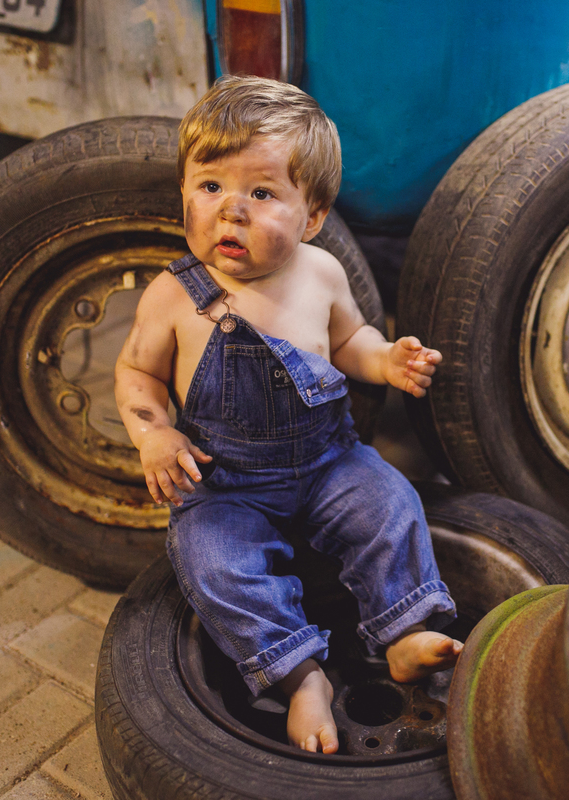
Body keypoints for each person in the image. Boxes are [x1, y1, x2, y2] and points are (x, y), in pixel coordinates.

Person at [114, 75, 461, 755]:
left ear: (312, 216)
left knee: (389, 503)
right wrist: (153, 433)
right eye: (210, 186)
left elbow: (348, 343)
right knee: (211, 559)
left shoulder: (321, 274)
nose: (230, 212)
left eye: (262, 193)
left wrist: (386, 360)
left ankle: (403, 630)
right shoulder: (173, 295)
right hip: (227, 485)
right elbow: (137, 372)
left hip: (331, 464)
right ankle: (300, 675)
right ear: (184, 189)